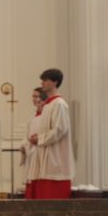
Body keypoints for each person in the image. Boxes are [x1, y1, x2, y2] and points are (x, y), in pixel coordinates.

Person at [21, 69, 74, 199]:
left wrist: (40, 138)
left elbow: (60, 130)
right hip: (44, 155)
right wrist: (36, 137)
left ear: (55, 82)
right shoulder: (47, 106)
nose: (42, 83)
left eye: (45, 80)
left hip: (54, 157)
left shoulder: (59, 104)